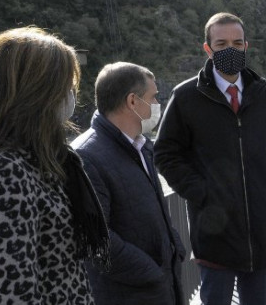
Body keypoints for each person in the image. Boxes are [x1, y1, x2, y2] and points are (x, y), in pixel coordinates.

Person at [0, 27, 109, 305]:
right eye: (63, 87)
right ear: (33, 94)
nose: (70, 97)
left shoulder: (39, 162)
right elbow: (10, 295)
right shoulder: (2, 172)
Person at [154, 12, 266, 305]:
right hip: (214, 232)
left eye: (237, 43)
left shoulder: (265, 93)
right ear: (207, 49)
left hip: (261, 233)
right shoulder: (186, 96)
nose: (231, 49)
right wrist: (201, 193)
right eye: (221, 44)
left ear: (246, 46)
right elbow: (166, 154)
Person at [71, 62, 186, 305]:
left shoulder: (140, 146)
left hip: (159, 288)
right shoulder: (86, 157)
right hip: (130, 294)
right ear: (133, 101)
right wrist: (152, 274)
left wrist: (174, 246)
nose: (157, 105)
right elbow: (95, 241)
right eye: (153, 98)